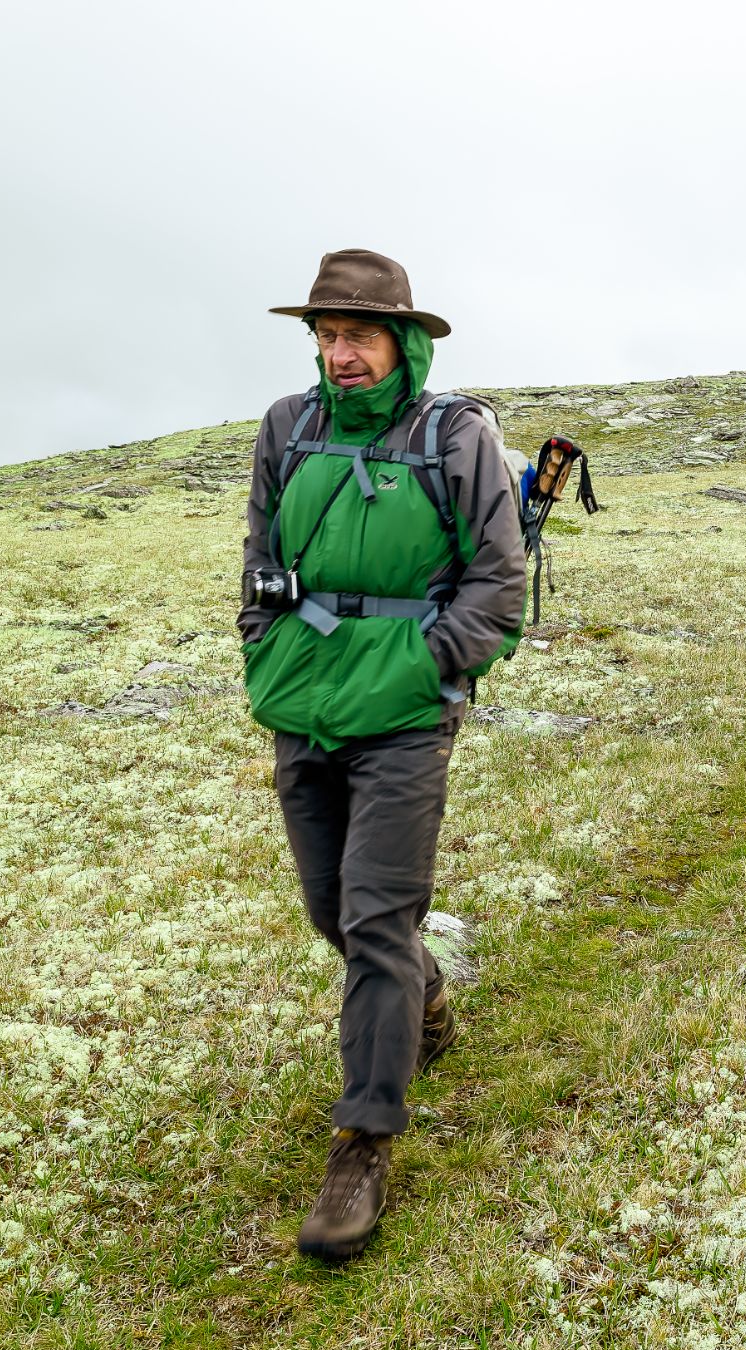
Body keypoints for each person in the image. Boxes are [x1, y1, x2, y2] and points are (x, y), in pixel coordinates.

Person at [241, 249, 524, 1262]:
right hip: (303, 701)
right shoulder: (286, 427)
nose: (339, 352)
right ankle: (425, 997)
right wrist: (260, 640)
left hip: (404, 714)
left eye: (357, 333)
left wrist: (425, 666)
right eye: (325, 333)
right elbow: (259, 556)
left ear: (402, 340)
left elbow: (498, 581)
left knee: (374, 917)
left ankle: (362, 1140)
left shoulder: (458, 438)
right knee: (333, 911)